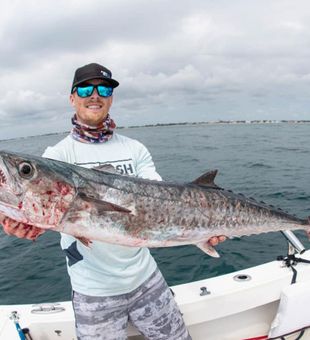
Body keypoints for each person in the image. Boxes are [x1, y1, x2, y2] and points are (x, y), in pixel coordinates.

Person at [1, 63, 226, 340]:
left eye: (103, 89)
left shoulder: (135, 148)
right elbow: (40, 209)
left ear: (110, 98)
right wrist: (19, 224)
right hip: (93, 293)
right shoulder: (57, 155)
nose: (94, 95)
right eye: (85, 88)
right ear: (72, 98)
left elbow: (161, 198)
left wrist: (203, 227)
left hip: (147, 280)